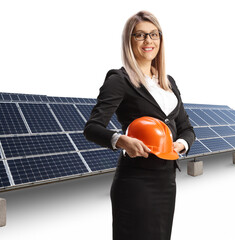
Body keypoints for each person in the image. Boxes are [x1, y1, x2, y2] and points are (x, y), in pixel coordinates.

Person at [83, 10, 195, 240]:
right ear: (129, 40)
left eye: (154, 34)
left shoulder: (168, 83)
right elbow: (92, 127)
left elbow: (187, 128)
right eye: (140, 35)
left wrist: (180, 145)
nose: (148, 41)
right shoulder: (119, 80)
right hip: (136, 181)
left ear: (160, 40)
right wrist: (120, 140)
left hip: (166, 181)